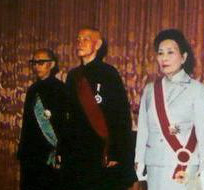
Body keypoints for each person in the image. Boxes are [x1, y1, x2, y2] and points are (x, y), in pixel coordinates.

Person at [135, 29, 204, 190]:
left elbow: (203, 134)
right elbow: (143, 130)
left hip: (184, 165)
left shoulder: (197, 90)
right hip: (155, 163)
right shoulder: (150, 90)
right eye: (160, 53)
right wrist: (139, 160)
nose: (164, 58)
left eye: (170, 52)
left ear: (183, 57)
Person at [63, 27, 136, 190]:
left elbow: (121, 116)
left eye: (86, 39)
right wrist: (63, 148)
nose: (80, 43)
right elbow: (66, 117)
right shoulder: (72, 76)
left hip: (100, 149)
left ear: (98, 44)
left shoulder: (109, 74)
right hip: (75, 151)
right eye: (78, 39)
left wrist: (117, 152)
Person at [17, 48, 67, 190]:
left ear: (51, 64)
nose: (36, 66)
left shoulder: (61, 89)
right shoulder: (33, 89)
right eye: (34, 63)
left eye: (41, 62)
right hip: (30, 152)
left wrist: (61, 150)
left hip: (49, 153)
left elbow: (64, 124)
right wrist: (23, 150)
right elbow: (27, 123)